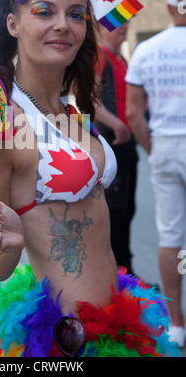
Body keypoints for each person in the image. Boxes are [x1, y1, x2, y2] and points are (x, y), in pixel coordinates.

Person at [0, 0, 177, 357]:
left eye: (76, 14)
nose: (63, 24)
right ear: (13, 23)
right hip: (67, 343)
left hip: (122, 321)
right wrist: (6, 246)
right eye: (44, 11)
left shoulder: (70, 110)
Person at [126, 0, 186, 348]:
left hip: (164, 144)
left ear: (167, 7)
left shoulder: (147, 51)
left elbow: (134, 114)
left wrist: (153, 149)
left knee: (171, 237)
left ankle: (177, 324)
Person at [95, 21, 139, 275]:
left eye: (125, 21)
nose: (123, 26)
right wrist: (118, 125)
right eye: (115, 22)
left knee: (127, 212)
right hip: (113, 140)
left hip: (126, 143)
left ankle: (128, 274)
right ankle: (121, 279)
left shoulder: (119, 57)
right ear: (101, 27)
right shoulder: (100, 56)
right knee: (117, 214)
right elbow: (87, 96)